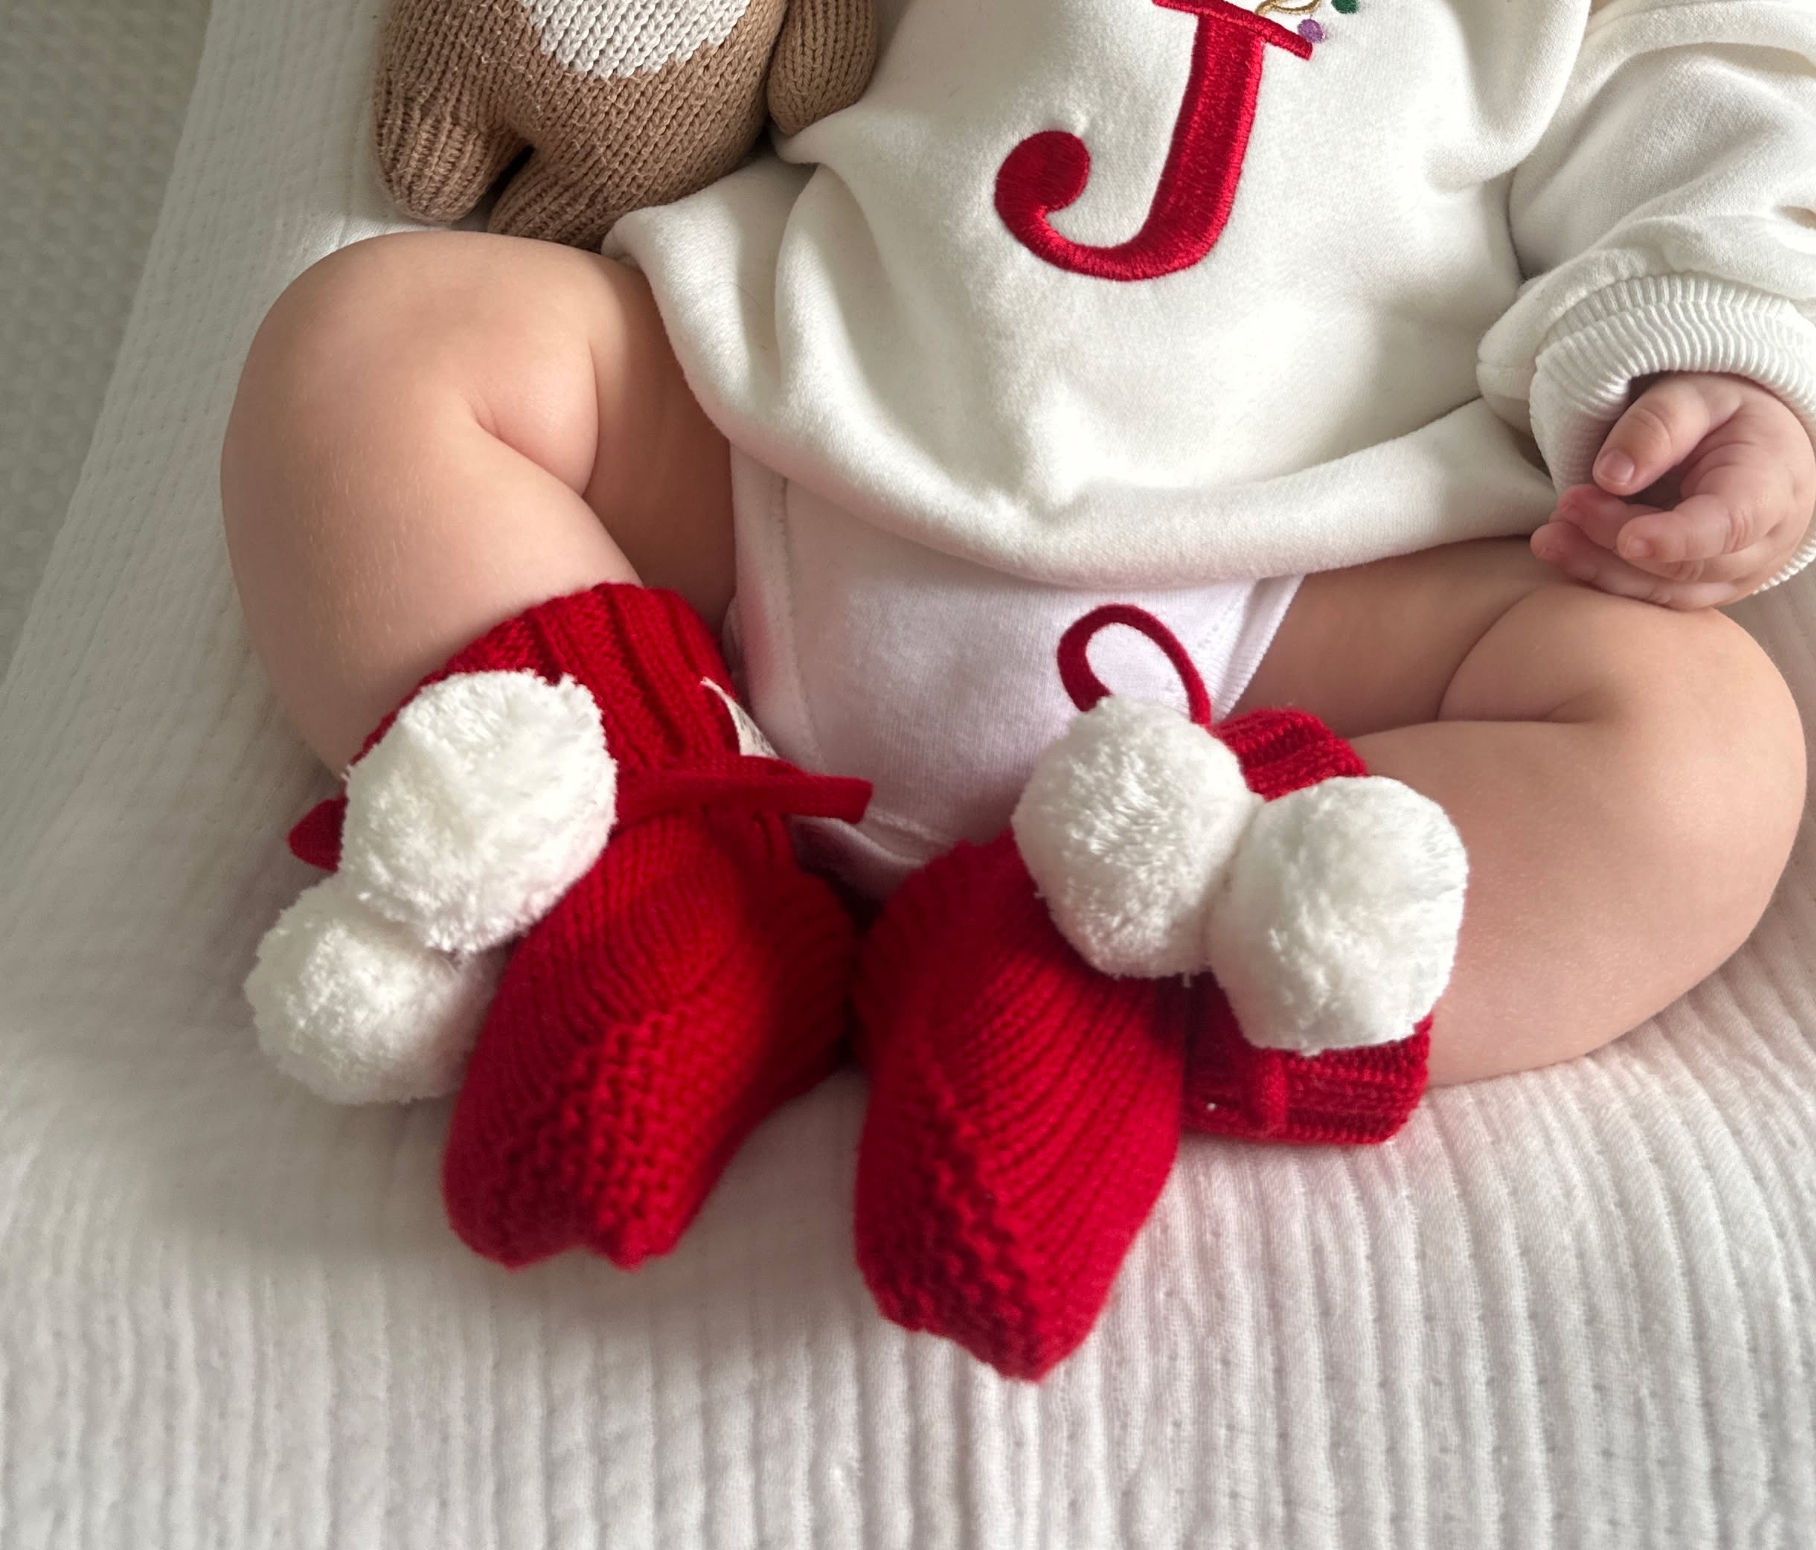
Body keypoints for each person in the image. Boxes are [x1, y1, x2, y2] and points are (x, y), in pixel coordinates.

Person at [221, 0, 1815, 1376]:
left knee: (1706, 751)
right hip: (796, 413)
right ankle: (657, 873)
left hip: (1292, 580)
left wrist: (1726, 363)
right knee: (378, 343)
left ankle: (1101, 991)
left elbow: (1724, 105)